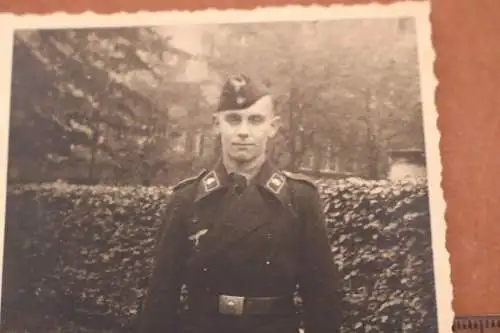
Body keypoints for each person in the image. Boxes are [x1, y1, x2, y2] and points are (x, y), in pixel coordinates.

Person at [137, 74, 342, 333]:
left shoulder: (300, 198)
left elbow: (322, 299)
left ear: (273, 127)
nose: (243, 131)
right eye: (233, 119)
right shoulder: (186, 198)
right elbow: (160, 297)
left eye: (255, 120)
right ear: (216, 125)